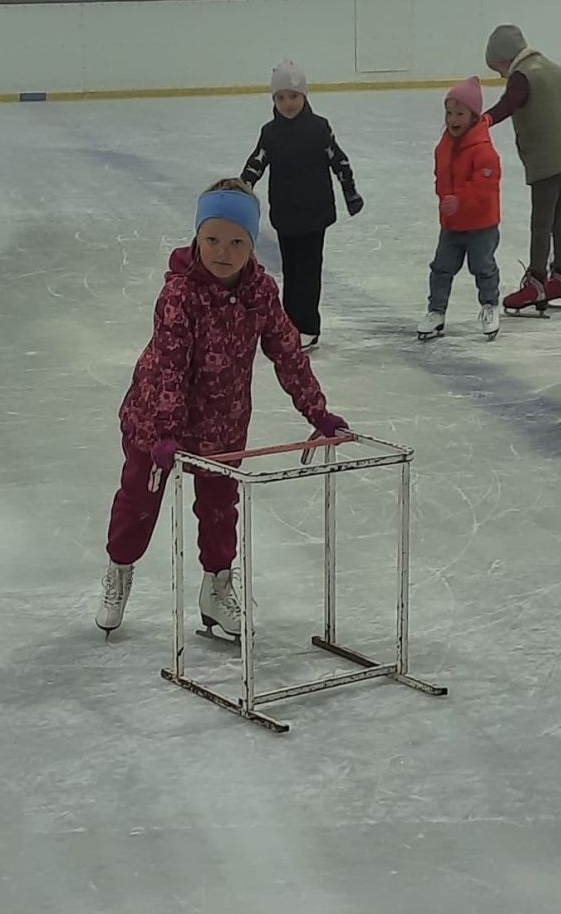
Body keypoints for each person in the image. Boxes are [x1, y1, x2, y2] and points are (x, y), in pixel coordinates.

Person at [95, 178, 349, 639]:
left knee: (219, 510)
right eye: (212, 238)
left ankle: (216, 588)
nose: (223, 251)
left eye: (237, 242)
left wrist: (318, 413)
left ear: (253, 245)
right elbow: (170, 366)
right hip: (156, 419)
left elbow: (288, 354)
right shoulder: (179, 295)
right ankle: (119, 570)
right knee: (137, 503)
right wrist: (166, 430)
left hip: (223, 422)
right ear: (197, 236)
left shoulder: (261, 293)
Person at [241, 60, 364, 351]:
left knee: (308, 273)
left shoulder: (318, 128)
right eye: (281, 97)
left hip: (314, 214)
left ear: (304, 96)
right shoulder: (270, 132)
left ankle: (308, 326)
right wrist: (242, 187)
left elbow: (339, 161)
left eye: (293, 96)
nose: (288, 103)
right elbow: (256, 162)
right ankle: (290, 323)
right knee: (291, 271)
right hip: (285, 213)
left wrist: (350, 193)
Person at [484, 24, 561, 312]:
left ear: (504, 57)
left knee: (541, 222)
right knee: (560, 219)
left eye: (497, 67)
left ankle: (536, 281)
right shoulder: (556, 70)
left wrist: (484, 121)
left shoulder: (522, 76)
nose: (499, 74)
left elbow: (510, 103)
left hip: (548, 160)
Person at [417, 77, 502, 342]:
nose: (452, 119)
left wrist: (459, 200)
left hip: (481, 225)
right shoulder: (443, 146)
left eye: (460, 113)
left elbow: (484, 188)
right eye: (449, 112)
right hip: (451, 225)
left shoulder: (484, 151)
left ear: (474, 116)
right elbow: (440, 177)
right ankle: (436, 311)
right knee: (441, 268)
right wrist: (443, 197)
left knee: (483, 268)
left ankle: (489, 306)